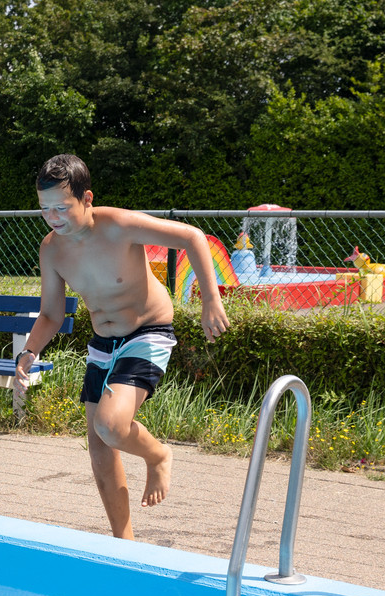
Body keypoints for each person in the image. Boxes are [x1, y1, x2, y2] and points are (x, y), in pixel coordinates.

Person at [15, 154, 229, 540]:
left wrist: (210, 301)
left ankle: (158, 455)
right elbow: (51, 314)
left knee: (111, 426)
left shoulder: (118, 226)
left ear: (87, 198)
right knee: (99, 449)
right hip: (103, 344)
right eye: (45, 209)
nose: (53, 217)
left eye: (61, 207)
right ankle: (124, 544)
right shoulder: (52, 250)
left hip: (146, 332)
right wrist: (30, 351)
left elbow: (192, 237)